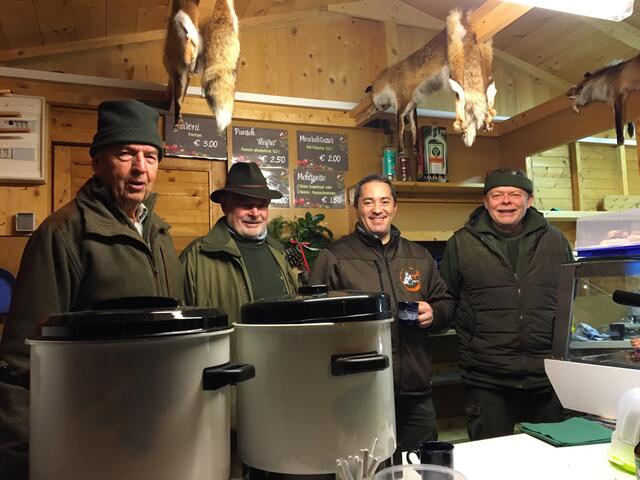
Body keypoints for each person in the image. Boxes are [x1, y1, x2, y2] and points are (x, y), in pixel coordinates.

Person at [0, 99, 184, 478]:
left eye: (150, 157)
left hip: (157, 431)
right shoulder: (62, 235)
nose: (140, 168)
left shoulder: (161, 235)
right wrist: (20, 458)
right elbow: (21, 361)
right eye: (125, 153)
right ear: (98, 162)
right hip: (88, 436)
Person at [310, 173, 454, 457]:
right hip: (358, 392)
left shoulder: (419, 256)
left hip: (415, 391)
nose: (377, 209)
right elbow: (314, 322)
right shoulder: (335, 257)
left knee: (421, 466)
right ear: (357, 208)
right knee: (368, 469)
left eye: (384, 201)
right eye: (368, 202)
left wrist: (434, 313)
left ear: (395, 206)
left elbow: (446, 302)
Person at [439, 167, 574, 441]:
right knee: (490, 462)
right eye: (497, 194)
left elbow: (571, 297)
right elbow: (445, 299)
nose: (506, 201)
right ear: (485, 201)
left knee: (551, 464)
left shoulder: (556, 241)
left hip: (547, 377)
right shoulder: (461, 244)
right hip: (488, 380)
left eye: (515, 194)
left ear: (530, 200)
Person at [180, 161, 298, 322]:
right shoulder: (195, 257)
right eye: (246, 204)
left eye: (262, 205)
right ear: (225, 205)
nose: (255, 213)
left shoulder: (278, 253)